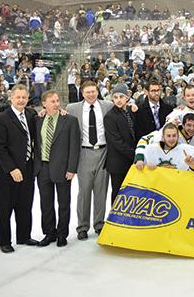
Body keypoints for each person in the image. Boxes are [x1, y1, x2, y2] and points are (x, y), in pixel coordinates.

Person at [0, 85, 38, 253]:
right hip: (7, 173)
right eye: (18, 97)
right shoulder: (1, 118)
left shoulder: (31, 114)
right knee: (4, 208)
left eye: (24, 97)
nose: (21, 100)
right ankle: (4, 241)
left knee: (25, 205)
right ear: (11, 98)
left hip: (28, 168)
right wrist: (12, 169)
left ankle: (24, 236)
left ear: (27, 98)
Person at [66, 80, 114, 241]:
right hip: (84, 153)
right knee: (84, 191)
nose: (91, 94)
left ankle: (99, 224)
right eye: (87, 92)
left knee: (101, 191)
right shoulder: (72, 109)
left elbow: (122, 112)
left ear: (97, 91)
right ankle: (82, 226)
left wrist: (133, 107)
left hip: (103, 152)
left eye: (93, 91)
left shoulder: (108, 105)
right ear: (82, 93)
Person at [34, 91, 81, 248]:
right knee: (46, 203)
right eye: (52, 101)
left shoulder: (69, 120)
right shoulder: (37, 120)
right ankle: (49, 233)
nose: (56, 104)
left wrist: (71, 168)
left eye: (57, 100)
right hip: (43, 168)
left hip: (62, 168)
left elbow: (74, 147)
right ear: (44, 104)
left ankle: (62, 234)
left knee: (63, 203)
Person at [103, 83, 137, 204]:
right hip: (118, 163)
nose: (118, 100)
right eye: (116, 97)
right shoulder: (110, 117)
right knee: (118, 193)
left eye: (121, 97)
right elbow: (117, 142)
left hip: (130, 161)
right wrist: (135, 155)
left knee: (131, 194)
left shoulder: (130, 111)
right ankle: (115, 220)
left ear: (127, 97)